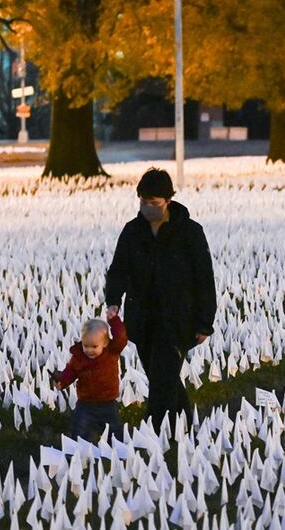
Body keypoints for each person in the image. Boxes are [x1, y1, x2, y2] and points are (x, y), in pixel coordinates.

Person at [105, 168, 217, 429]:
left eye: (153, 203)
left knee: (163, 377)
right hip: (142, 319)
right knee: (161, 377)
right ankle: (185, 426)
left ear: (168, 200)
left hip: (177, 319)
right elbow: (119, 268)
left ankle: (153, 432)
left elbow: (204, 278)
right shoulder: (133, 232)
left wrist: (204, 322)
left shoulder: (189, 232)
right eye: (143, 202)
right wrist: (113, 299)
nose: (147, 208)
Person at [52, 308, 128, 442]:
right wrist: (62, 381)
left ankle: (118, 455)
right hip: (86, 403)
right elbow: (71, 370)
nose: (89, 350)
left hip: (108, 402)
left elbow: (121, 338)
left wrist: (114, 320)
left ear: (105, 343)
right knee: (79, 428)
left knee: (114, 431)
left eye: (94, 346)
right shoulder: (79, 357)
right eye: (85, 346)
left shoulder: (111, 352)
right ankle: (77, 453)